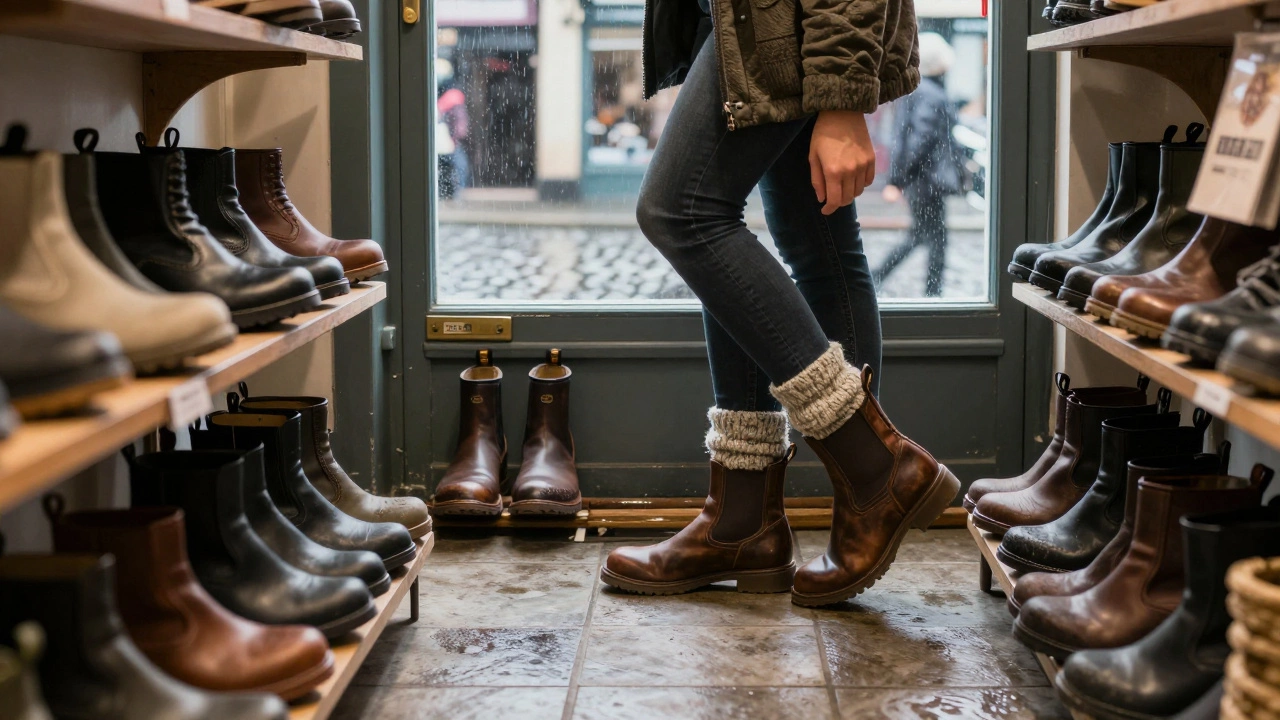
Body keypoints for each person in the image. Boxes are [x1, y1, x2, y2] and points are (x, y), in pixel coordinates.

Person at [599, 0, 960, 607]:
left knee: (684, 213)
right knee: (815, 240)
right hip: (755, 21)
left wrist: (843, 98)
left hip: (785, 20)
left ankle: (872, 467)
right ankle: (748, 519)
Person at [874, 33, 963, 297]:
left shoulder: (917, 90)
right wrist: (898, 180)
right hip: (927, 181)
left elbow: (905, 138)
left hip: (920, 179)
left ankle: (924, 289)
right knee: (931, 238)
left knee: (925, 236)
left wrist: (898, 178)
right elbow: (919, 140)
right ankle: (931, 293)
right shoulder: (933, 94)